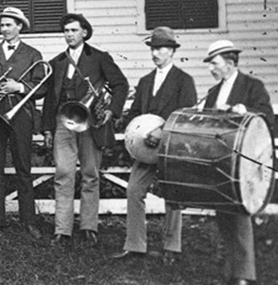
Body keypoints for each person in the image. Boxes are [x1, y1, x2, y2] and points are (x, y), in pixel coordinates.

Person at [41, 13, 128, 246]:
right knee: (63, 175)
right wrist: (48, 128)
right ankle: (62, 229)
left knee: (90, 175)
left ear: (85, 33)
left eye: (74, 30)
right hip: (64, 122)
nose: (69, 34)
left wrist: (112, 112)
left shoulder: (99, 58)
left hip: (90, 123)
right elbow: (50, 98)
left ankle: (89, 227)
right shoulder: (57, 62)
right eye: (66, 31)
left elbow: (121, 84)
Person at [112, 27, 196, 264]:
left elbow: (186, 115)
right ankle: (136, 245)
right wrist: (133, 134)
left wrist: (162, 131)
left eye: (160, 48)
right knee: (134, 190)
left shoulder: (183, 80)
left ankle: (172, 247)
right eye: (153, 48)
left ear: (171, 51)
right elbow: (136, 113)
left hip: (171, 146)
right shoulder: (145, 80)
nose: (155, 53)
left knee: (173, 194)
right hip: (145, 149)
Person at [202, 40, 273, 285]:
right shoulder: (213, 92)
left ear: (230, 62)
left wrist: (246, 110)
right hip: (221, 161)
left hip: (245, 162)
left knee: (240, 213)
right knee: (223, 215)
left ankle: (243, 275)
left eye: (214, 63)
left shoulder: (252, 86)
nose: (211, 68)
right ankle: (232, 272)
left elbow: (267, 118)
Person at [0, 7, 48, 242]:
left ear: (19, 27)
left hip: (21, 115)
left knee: (23, 168)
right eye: (2, 25)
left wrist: (19, 87)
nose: (3, 29)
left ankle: (29, 221)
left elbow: (43, 86)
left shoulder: (32, 54)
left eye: (8, 25)